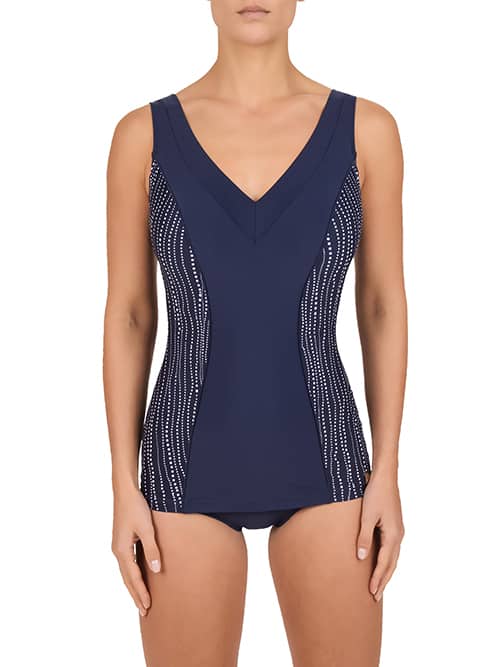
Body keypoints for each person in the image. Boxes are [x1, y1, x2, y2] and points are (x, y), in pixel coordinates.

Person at [103, 1, 407, 665]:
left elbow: (381, 303)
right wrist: (123, 484)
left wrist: (387, 470)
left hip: (329, 458)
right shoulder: (142, 137)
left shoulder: (367, 131)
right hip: (181, 465)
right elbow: (130, 314)